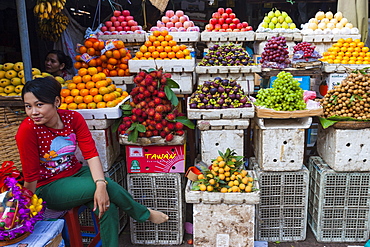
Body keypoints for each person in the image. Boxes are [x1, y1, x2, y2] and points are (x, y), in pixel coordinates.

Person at [15, 77, 169, 246]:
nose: (33, 112)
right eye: (28, 106)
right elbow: (30, 175)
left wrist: (100, 185)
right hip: (49, 185)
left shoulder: (73, 118)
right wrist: (26, 207)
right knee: (106, 186)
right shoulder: (27, 130)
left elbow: (91, 154)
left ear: (56, 101)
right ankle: (143, 214)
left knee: (105, 203)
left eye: (39, 105)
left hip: (76, 173)